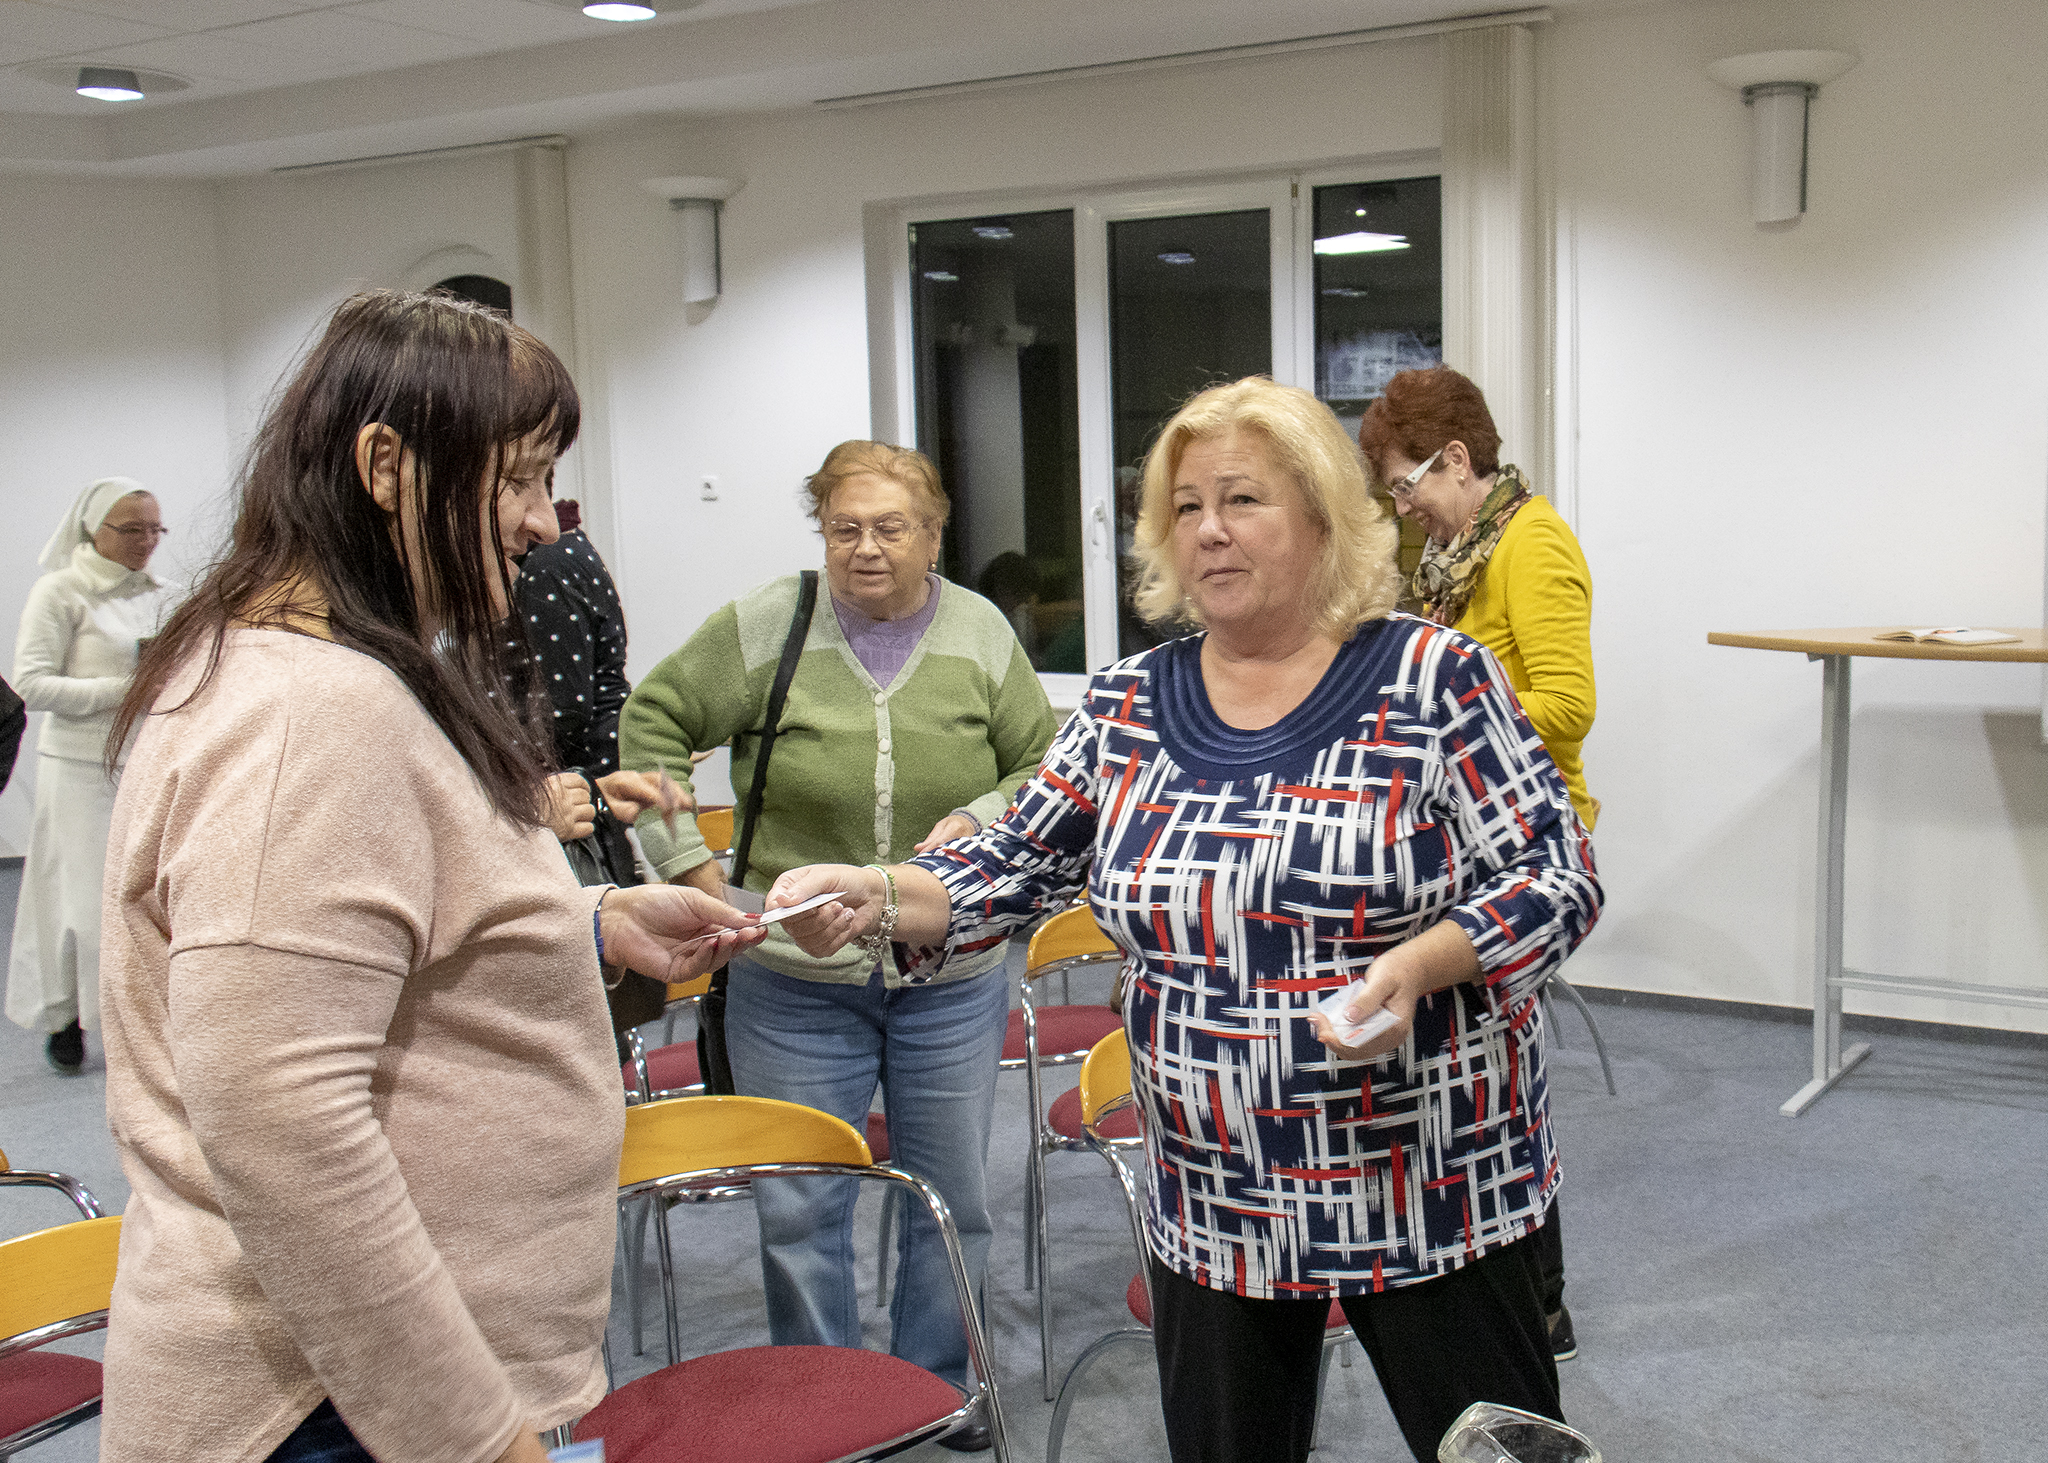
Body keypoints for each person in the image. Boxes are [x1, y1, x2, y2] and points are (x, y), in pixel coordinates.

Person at [770, 378, 1603, 1463]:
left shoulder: (1432, 678)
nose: (1208, 528)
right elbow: (1010, 863)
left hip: (1424, 1176)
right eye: (1185, 505)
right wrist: (875, 892)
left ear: (1321, 517)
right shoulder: (1126, 704)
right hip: (1214, 1187)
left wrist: (1421, 963)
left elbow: (1556, 873)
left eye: (1242, 498)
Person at [97, 289, 765, 1463]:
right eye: (517, 481)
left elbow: (376, 938)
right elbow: (282, 1127)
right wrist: (472, 1438)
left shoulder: (326, 671)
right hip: (339, 1407)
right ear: (385, 466)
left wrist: (585, 920)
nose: (544, 523)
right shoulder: (310, 711)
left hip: (373, 1393)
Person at [619, 439, 1057, 1452]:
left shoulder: (979, 631)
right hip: (792, 982)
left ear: (933, 534)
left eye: (890, 528)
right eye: (843, 527)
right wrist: (691, 869)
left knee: (952, 1200)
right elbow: (653, 725)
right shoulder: (768, 624)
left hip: (949, 973)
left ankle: (933, 1390)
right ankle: (825, 1405)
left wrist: (982, 816)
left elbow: (1043, 763)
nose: (866, 548)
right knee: (800, 1206)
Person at [1359, 364, 1596, 1361]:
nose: (1401, 507)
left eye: (1406, 484)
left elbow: (1568, 706)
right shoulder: (1454, 553)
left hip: (1523, 842)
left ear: (1456, 459)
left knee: (1502, 1072)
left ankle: (1542, 1303)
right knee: (1476, 1069)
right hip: (1460, 836)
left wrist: (1445, 727)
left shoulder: (1531, 543)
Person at [6, 477, 175, 1073]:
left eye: (155, 530)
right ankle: (69, 1015)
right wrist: (128, 688)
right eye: (131, 530)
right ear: (92, 528)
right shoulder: (59, 592)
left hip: (150, 763)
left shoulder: (166, 595)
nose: (146, 542)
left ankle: (146, 1020)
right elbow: (30, 685)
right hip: (79, 770)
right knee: (82, 905)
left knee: (149, 900)